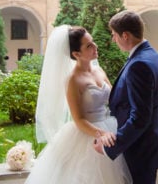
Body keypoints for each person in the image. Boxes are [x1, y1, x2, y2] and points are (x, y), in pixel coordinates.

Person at [25, 25, 131, 184]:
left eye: (93, 42)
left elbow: (113, 100)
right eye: (89, 45)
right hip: (88, 134)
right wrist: (101, 134)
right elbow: (78, 119)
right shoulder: (73, 80)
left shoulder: (99, 70)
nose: (95, 46)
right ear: (76, 54)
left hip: (109, 125)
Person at [94, 10, 158, 183]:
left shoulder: (139, 64)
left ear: (125, 35)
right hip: (146, 145)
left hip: (140, 148)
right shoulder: (150, 54)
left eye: (114, 35)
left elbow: (140, 117)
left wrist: (109, 148)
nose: (113, 39)